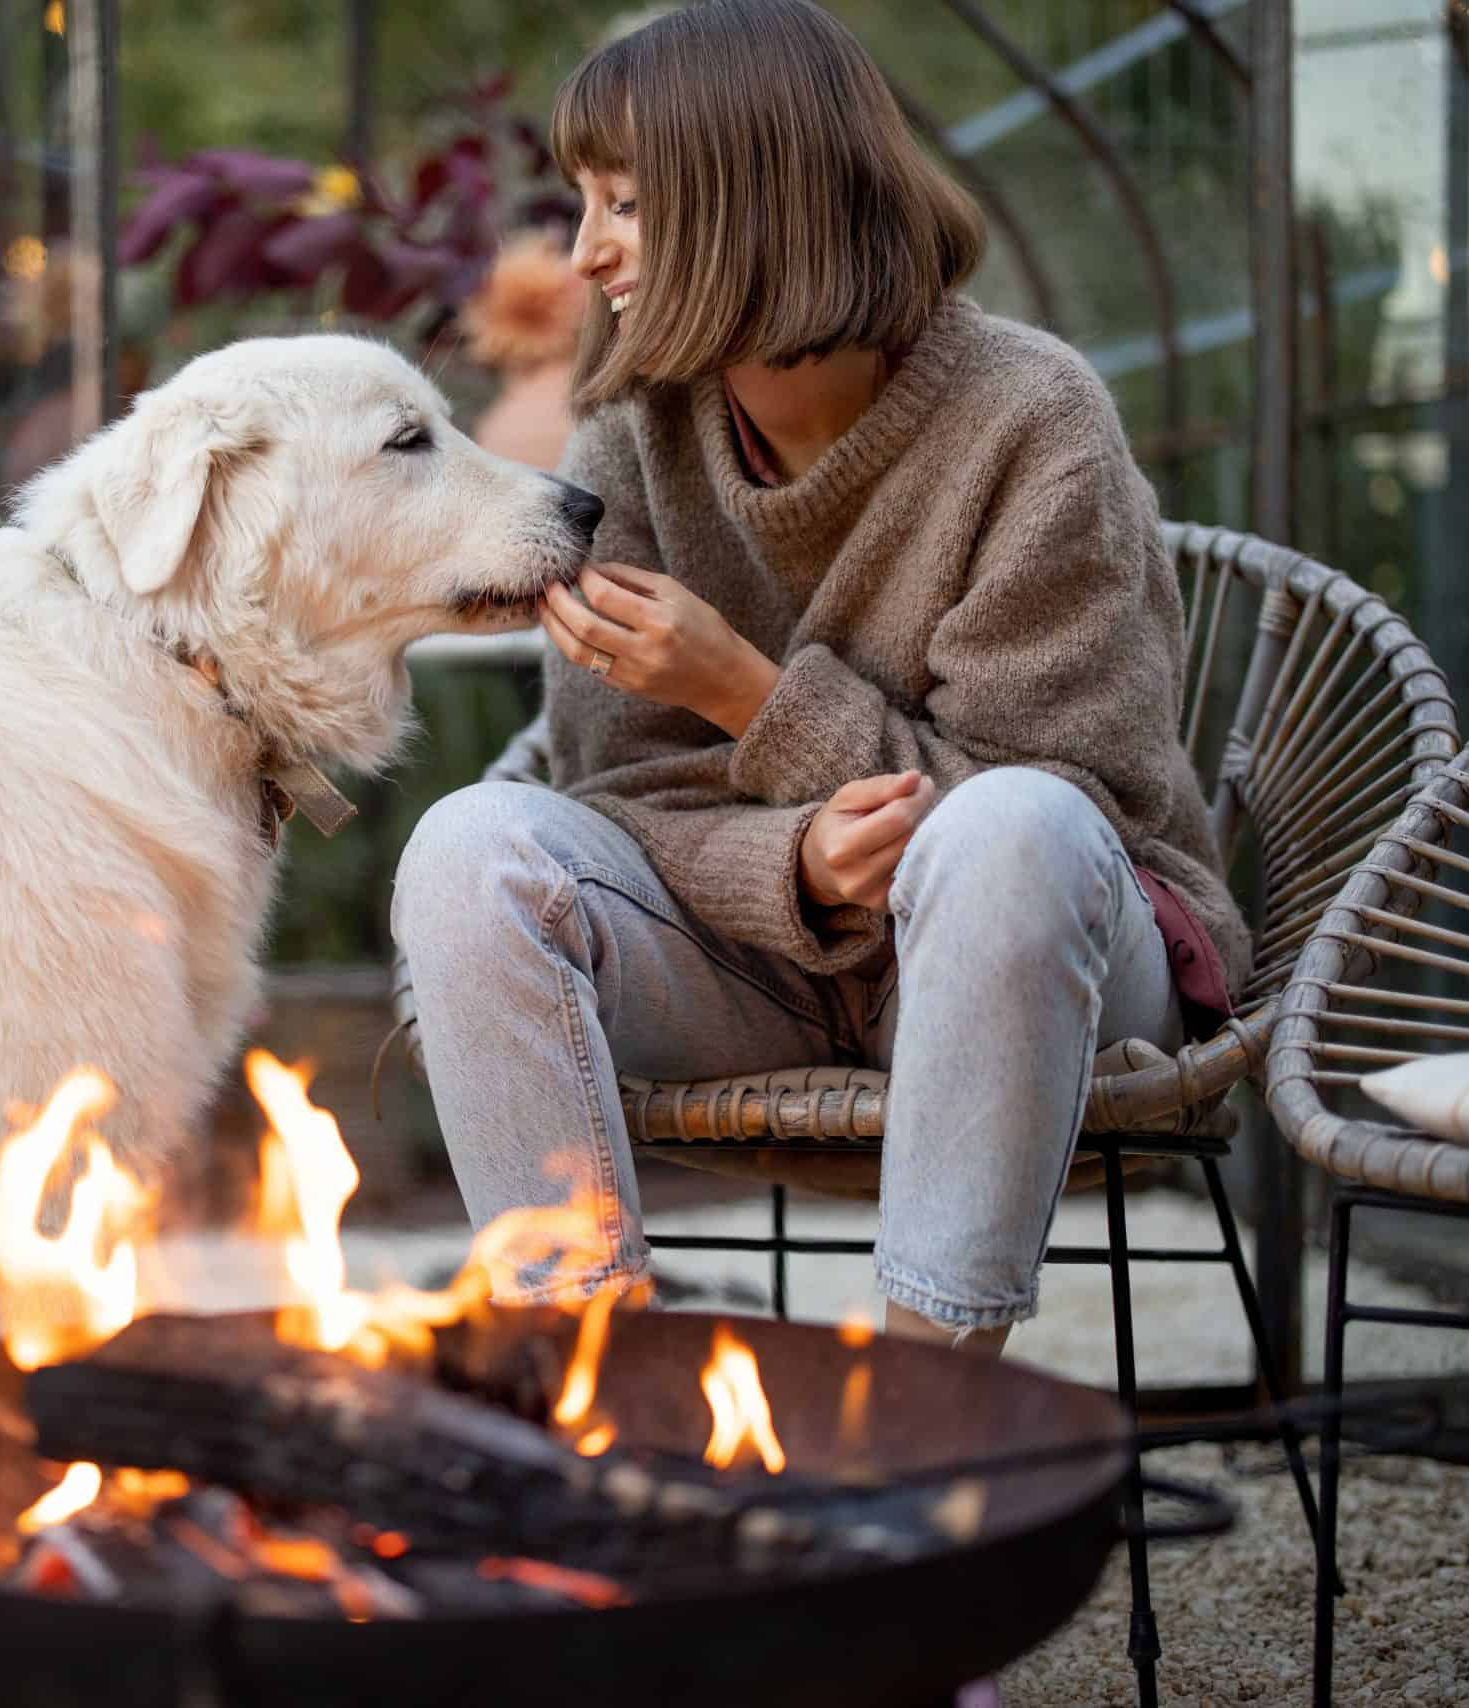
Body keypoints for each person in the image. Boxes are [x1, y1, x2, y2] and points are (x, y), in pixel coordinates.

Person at [394, 0, 1246, 1359]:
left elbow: (1057, 802)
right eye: (583, 203)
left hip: (1053, 958)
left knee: (1007, 829)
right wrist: (790, 864)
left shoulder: (1033, 420)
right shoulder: (631, 431)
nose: (589, 250)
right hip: (760, 962)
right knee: (469, 849)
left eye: (628, 204)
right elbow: (613, 793)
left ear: (753, 202)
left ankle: (919, 1402)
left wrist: (750, 697)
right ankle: (590, 1401)